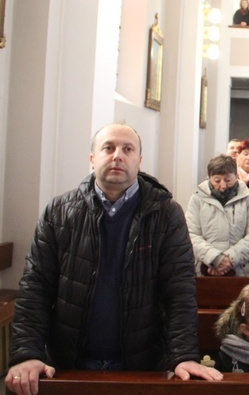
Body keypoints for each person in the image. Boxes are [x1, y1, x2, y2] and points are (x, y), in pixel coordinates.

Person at [6, 124, 222, 394]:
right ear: (92, 158)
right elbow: (35, 288)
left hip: (141, 366)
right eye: (108, 148)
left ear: (139, 161)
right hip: (68, 363)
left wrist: (183, 356)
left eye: (128, 149)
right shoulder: (59, 212)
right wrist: (27, 353)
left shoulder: (166, 213)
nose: (118, 155)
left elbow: (179, 292)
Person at [187, 155, 249, 277]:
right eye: (217, 180)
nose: (222, 186)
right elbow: (191, 234)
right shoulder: (197, 198)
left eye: (228, 180)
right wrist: (214, 259)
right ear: (209, 177)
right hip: (205, 269)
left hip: (241, 270)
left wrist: (229, 259)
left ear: (236, 176)